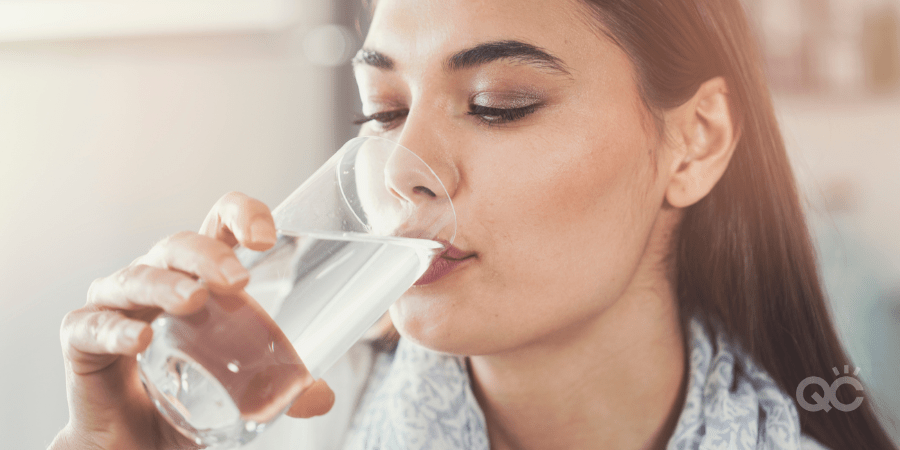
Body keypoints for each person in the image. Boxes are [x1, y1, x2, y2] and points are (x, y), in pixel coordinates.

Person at [49, 0, 898, 449]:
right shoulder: (279, 427)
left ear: (694, 142)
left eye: (498, 105)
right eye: (382, 112)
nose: (403, 166)